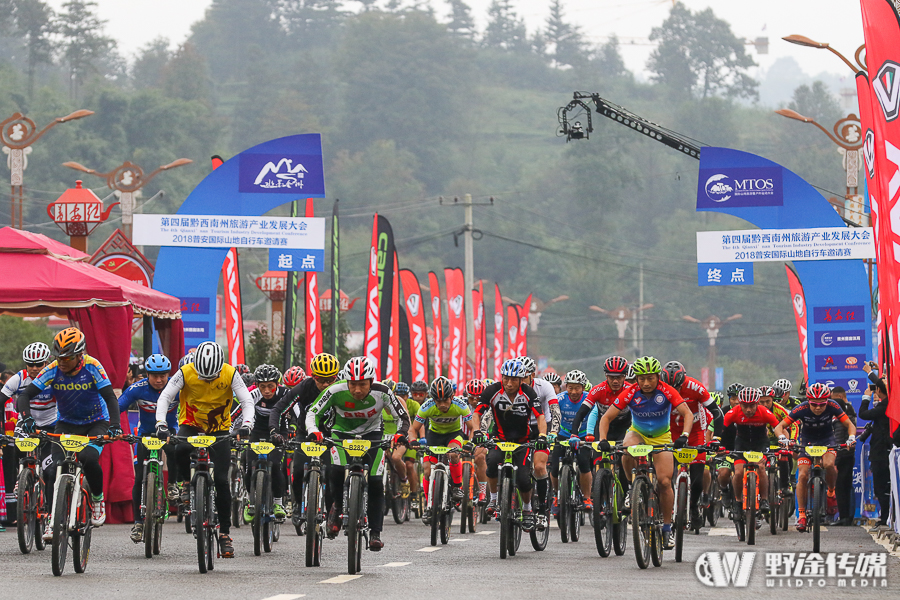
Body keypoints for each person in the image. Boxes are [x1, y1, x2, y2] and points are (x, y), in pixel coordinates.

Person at [155, 340, 254, 558]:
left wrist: (247, 425)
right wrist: (161, 423)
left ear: (220, 367)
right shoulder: (185, 371)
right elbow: (165, 397)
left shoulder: (230, 373)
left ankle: (225, 534)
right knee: (178, 449)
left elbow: (246, 401)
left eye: (211, 377)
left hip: (220, 430)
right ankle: (184, 484)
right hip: (191, 425)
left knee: (221, 480)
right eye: (203, 376)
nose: (207, 380)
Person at [18, 328, 121, 530]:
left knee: (88, 458)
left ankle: (98, 499)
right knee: (55, 467)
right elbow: (24, 396)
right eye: (59, 357)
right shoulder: (53, 369)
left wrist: (115, 425)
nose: (62, 362)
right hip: (66, 423)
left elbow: (110, 397)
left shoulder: (93, 366)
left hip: (96, 422)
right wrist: (27, 418)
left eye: (68, 357)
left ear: (79, 355)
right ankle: (51, 519)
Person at [304, 356, 410, 551]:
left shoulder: (383, 392)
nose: (358, 390)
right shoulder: (335, 390)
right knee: (335, 470)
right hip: (341, 435)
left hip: (372, 436)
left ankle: (375, 534)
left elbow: (401, 417)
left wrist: (400, 434)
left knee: (377, 481)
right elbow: (313, 413)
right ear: (347, 381)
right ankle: (335, 508)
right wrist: (314, 431)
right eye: (353, 384)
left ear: (371, 382)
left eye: (362, 384)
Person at [595, 356, 692, 549]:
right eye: (641, 379)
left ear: (658, 377)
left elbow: (687, 413)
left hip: (661, 437)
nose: (646, 383)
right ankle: (633, 488)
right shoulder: (630, 392)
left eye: (650, 378)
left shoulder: (667, 390)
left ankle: (666, 527)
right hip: (637, 433)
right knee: (626, 449)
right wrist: (603, 439)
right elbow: (606, 417)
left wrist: (684, 435)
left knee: (664, 482)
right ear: (636, 379)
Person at [471, 358, 548, 530]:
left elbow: (541, 417)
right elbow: (477, 414)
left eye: (513, 379)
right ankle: (493, 499)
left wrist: (542, 436)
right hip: (500, 438)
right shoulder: (492, 391)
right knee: (490, 464)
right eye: (506, 378)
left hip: (523, 440)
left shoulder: (529, 393)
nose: (509, 383)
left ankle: (528, 511)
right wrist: (477, 432)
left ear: (521, 379)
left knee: (523, 478)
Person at [269, 353, 342, 524]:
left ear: (336, 377)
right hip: (306, 433)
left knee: (333, 473)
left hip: (331, 435)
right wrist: (274, 431)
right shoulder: (304, 387)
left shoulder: (342, 388)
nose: (325, 384)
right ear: (313, 376)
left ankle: (332, 510)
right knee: (298, 470)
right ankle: (298, 504)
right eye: (320, 380)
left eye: (330, 380)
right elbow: (278, 408)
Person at [776, 382, 856, 532]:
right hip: (807, 442)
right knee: (803, 475)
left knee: (829, 465)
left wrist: (851, 438)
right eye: (814, 404)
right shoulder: (801, 408)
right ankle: (801, 515)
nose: (818, 408)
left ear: (827, 401)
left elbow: (850, 425)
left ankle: (831, 491)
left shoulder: (833, 405)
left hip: (827, 440)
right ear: (808, 401)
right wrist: (783, 438)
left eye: (822, 404)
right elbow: (779, 426)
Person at [118, 354, 179, 543]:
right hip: (145, 434)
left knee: (174, 452)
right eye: (154, 375)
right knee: (138, 478)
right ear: (147, 374)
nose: (159, 380)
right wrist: (112, 426)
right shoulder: (138, 388)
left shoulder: (176, 388)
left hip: (170, 432)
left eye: (163, 375)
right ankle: (138, 522)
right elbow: (117, 407)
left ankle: (172, 485)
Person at [660, 360, 722, 525]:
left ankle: (694, 506)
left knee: (697, 480)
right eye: (670, 387)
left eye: (678, 387)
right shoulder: (658, 388)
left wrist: (716, 438)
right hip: (670, 432)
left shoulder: (696, 387)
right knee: (666, 475)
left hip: (696, 432)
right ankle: (669, 507)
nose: (674, 391)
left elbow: (717, 413)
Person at [4, 342, 54, 525]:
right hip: (26, 423)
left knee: (50, 471)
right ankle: (22, 475)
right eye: (30, 364)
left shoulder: (54, 377)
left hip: (51, 424)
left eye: (38, 364)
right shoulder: (18, 378)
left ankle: (49, 512)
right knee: (13, 444)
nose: (33, 368)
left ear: (46, 363)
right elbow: (2, 398)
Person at [411, 376, 474, 520]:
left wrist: (470, 442)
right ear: (433, 399)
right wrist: (413, 440)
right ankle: (429, 506)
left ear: (452, 396)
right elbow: (413, 428)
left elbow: (472, 428)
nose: (442, 404)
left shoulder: (460, 405)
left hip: (453, 435)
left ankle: (457, 487)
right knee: (427, 469)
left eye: (445, 400)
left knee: (453, 455)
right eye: (438, 401)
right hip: (434, 436)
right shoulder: (427, 406)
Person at [720, 387, 785, 515]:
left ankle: (764, 500)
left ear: (757, 403)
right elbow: (720, 429)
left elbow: (778, 427)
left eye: (752, 406)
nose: (748, 410)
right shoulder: (733, 412)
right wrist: (715, 442)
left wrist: (782, 439)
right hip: (741, 443)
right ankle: (738, 501)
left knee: (761, 467)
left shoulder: (764, 412)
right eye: (745, 406)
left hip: (760, 443)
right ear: (740, 403)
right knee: (738, 473)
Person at [236, 364, 289, 521]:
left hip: (279, 432)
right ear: (257, 385)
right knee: (249, 464)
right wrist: (234, 429)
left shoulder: (285, 394)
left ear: (277, 384)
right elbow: (238, 413)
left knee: (276, 464)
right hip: (258, 432)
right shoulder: (252, 395)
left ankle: (278, 503)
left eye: (270, 386)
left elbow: (298, 414)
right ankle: (250, 502)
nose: (266, 391)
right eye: (262, 386)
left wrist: (299, 430)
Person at [549, 370, 593, 511]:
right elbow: (552, 418)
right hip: (563, 434)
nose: (573, 391)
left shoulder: (589, 399)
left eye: (577, 388)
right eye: (570, 387)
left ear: (583, 387)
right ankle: (556, 495)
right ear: (565, 387)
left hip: (583, 435)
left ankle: (587, 497)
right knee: (554, 467)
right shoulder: (560, 399)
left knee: (585, 464)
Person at [518, 356, 556, 512]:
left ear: (532, 375)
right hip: (521, 428)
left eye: (523, 377)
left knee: (539, 467)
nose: (519, 381)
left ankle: (542, 506)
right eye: (516, 377)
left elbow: (555, 410)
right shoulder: (510, 388)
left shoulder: (545, 386)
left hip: (542, 427)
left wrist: (553, 431)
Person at [859, 364, 890, 526]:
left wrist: (865, 398)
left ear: (878, 391)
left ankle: (886, 518)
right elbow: (883, 385)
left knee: (882, 488)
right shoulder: (891, 403)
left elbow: (863, 414)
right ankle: (888, 517)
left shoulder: (885, 407)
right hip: (886, 452)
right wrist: (875, 373)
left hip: (882, 453)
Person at [382, 380, 419, 498]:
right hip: (383, 437)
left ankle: (404, 480)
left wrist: (403, 435)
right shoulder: (378, 402)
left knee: (396, 457)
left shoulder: (400, 402)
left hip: (399, 435)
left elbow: (406, 421)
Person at [829, 385, 857, 524]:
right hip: (849, 455)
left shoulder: (840, 421)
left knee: (841, 487)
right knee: (847, 486)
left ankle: (844, 517)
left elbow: (839, 440)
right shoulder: (850, 413)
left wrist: (835, 462)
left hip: (842, 456)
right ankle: (847, 516)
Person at [464, 379, 489, 503]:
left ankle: (483, 491)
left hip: (483, 436)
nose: (474, 401)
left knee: (480, 457)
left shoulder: (489, 406)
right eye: (471, 398)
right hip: (464, 436)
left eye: (478, 398)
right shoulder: (461, 404)